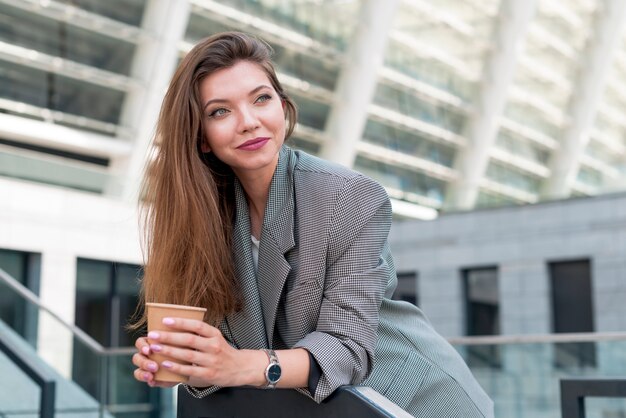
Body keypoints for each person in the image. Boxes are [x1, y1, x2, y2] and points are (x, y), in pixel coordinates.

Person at [131, 31, 494, 417]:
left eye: (261, 99)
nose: (249, 122)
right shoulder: (203, 217)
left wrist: (238, 365)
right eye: (221, 111)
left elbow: (346, 349)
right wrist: (185, 364)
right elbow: (226, 351)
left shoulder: (349, 198)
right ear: (201, 138)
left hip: (408, 401)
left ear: (283, 108)